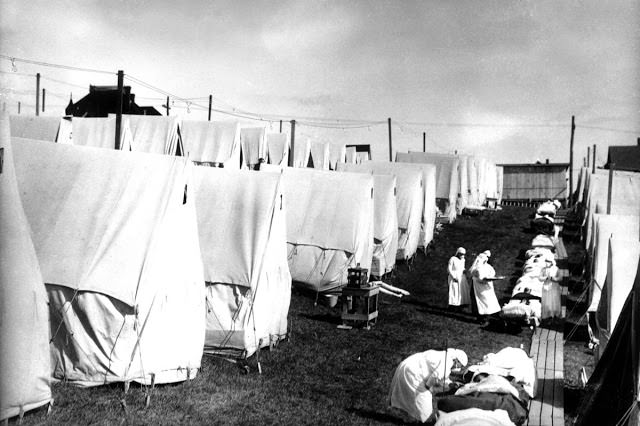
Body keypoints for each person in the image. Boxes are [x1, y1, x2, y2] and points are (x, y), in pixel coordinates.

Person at [389, 348, 468, 423]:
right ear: (457, 360)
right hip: (412, 372)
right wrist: (428, 387)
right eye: (460, 365)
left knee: (419, 398)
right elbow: (436, 376)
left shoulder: (445, 356)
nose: (459, 368)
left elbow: (442, 376)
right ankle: (427, 421)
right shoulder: (447, 362)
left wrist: (450, 384)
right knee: (424, 400)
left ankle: (418, 419)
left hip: (408, 365)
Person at [471, 250, 501, 326]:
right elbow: (479, 277)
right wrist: (486, 279)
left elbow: (492, 272)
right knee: (480, 301)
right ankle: (481, 318)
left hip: (487, 286)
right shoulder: (477, 269)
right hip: (479, 287)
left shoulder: (488, 267)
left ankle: (486, 316)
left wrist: (491, 277)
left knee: (487, 301)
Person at [447, 247, 470, 311]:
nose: (462, 255)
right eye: (461, 254)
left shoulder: (463, 260)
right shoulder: (453, 259)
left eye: (464, 254)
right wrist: (453, 277)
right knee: (454, 291)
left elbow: (462, 268)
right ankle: (452, 306)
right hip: (454, 276)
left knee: (461, 291)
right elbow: (449, 269)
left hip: (461, 277)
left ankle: (460, 306)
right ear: (458, 253)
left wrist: (464, 270)